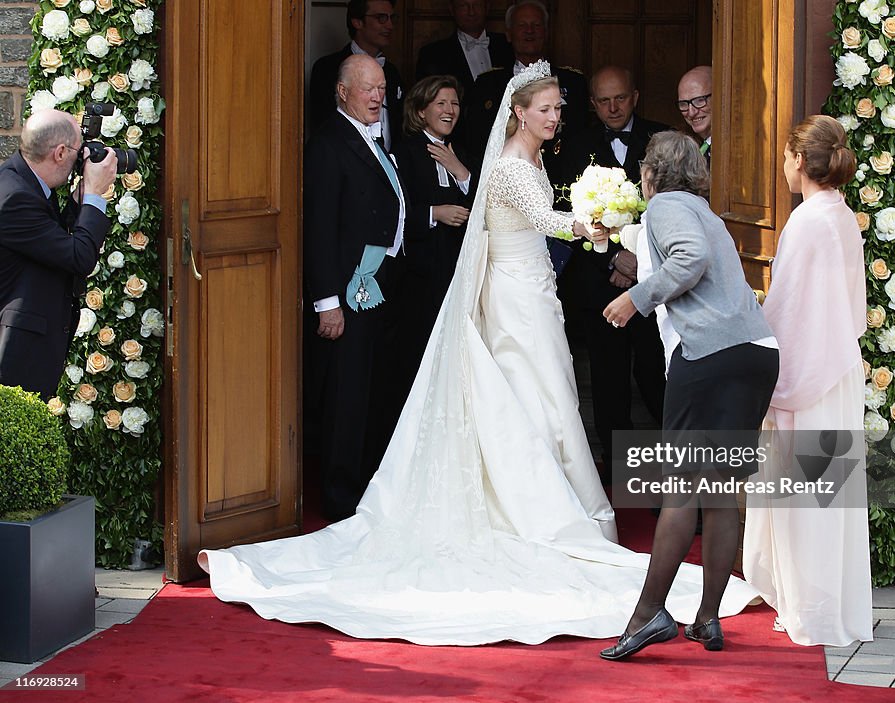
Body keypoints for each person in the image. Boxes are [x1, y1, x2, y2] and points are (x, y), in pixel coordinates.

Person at [200, 61, 759, 646]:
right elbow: (548, 221)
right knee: (534, 396)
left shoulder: (532, 157)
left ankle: (557, 504)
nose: (555, 116)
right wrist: (605, 221)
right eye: (546, 109)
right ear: (519, 113)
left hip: (533, 288)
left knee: (549, 396)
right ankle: (536, 513)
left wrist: (602, 223)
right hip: (517, 295)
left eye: (558, 109)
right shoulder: (515, 165)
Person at [599, 131, 779, 660]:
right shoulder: (705, 211)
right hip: (756, 351)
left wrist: (635, 298)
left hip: (711, 358)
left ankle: (647, 613)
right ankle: (707, 619)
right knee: (721, 495)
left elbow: (689, 258)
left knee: (680, 490)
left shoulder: (667, 206)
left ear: (651, 174)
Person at [742, 115, 873, 647]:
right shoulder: (840, 215)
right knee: (829, 499)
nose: (782, 165)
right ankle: (825, 603)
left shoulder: (806, 222)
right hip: (836, 370)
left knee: (806, 500)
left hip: (810, 375)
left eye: (785, 156)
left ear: (800, 161)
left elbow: (790, 307)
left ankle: (810, 610)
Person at [303, 54, 408, 521]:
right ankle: (341, 501)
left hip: (379, 286)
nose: (377, 96)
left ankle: (368, 489)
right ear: (343, 91)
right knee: (346, 397)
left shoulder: (375, 138)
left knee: (373, 390)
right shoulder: (328, 143)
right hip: (347, 289)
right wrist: (327, 302)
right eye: (368, 88)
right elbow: (320, 228)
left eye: (382, 88)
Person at [558, 65, 670, 474]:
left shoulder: (661, 140)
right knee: (608, 381)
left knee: (656, 373)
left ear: (635, 96)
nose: (612, 107)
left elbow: (676, 206)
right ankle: (623, 469)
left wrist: (641, 260)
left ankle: (671, 468)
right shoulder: (575, 145)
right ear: (592, 104)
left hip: (653, 283)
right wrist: (612, 257)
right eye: (603, 101)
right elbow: (564, 217)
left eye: (620, 98)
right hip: (597, 283)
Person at [0, 109, 118, 398]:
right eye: (79, 151)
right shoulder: (15, 197)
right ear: (61, 152)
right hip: (16, 350)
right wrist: (93, 193)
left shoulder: (24, 181)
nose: (82, 160)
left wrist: (77, 203)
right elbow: (78, 257)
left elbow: (47, 240)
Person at [391, 75, 472, 398]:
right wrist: (434, 214)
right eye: (441, 103)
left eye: (454, 103)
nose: (450, 110)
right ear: (421, 110)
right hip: (419, 274)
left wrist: (460, 170)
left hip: (456, 268)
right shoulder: (405, 152)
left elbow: (482, 205)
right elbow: (393, 211)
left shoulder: (459, 150)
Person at [463, 0, 587, 171]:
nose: (529, 31)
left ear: (546, 32)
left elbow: (580, 139)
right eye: (522, 25)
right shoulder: (487, 84)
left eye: (536, 25)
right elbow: (475, 140)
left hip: (559, 177)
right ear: (509, 33)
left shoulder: (573, 82)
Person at [308, 0, 404, 147]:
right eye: (381, 18)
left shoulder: (392, 73)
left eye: (392, 18)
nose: (390, 26)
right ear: (357, 22)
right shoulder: (327, 69)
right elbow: (323, 127)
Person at [415, 0, 514, 88]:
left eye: (477, 5)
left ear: (487, 7)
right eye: (463, 5)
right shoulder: (432, 54)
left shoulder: (508, 45)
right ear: (452, 9)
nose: (471, 12)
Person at [677, 65, 712, 166]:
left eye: (699, 101)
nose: (691, 112)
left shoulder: (734, 149)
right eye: (684, 103)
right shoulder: (684, 152)